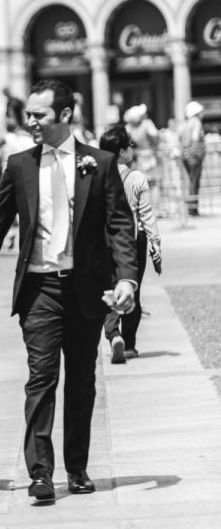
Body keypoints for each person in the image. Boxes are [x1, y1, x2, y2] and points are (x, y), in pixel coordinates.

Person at [0, 79, 138, 503]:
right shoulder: (19, 165)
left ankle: (77, 468)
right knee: (41, 378)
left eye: (38, 114)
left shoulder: (101, 163)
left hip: (85, 288)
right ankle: (40, 472)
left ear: (64, 115)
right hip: (39, 289)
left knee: (81, 381)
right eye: (30, 115)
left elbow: (118, 226)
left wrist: (127, 278)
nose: (30, 121)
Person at [99, 125, 162, 363]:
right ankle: (130, 344)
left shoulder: (97, 175)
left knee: (108, 288)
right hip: (135, 240)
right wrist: (156, 244)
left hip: (105, 239)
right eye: (130, 146)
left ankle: (114, 334)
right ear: (124, 151)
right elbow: (146, 215)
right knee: (132, 287)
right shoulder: (136, 177)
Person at [177, 101, 206, 216]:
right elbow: (195, 138)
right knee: (194, 182)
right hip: (193, 156)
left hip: (185, 155)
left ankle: (191, 207)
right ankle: (193, 209)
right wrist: (196, 153)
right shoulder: (196, 122)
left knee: (191, 181)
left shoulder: (185, 123)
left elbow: (179, 137)